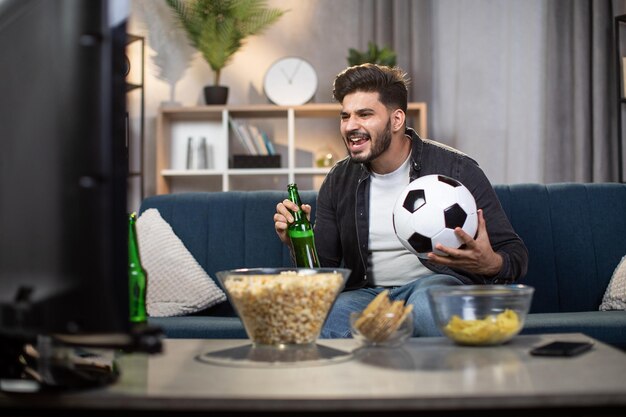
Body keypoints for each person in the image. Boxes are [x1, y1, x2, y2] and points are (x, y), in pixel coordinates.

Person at [274, 64, 528, 338]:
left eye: (365, 114)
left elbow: (514, 254)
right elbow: (322, 272)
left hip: (433, 284)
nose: (350, 126)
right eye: (345, 116)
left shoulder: (457, 169)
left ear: (396, 120)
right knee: (319, 317)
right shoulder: (338, 179)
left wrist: (489, 263)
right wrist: (296, 242)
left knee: (427, 307)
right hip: (366, 294)